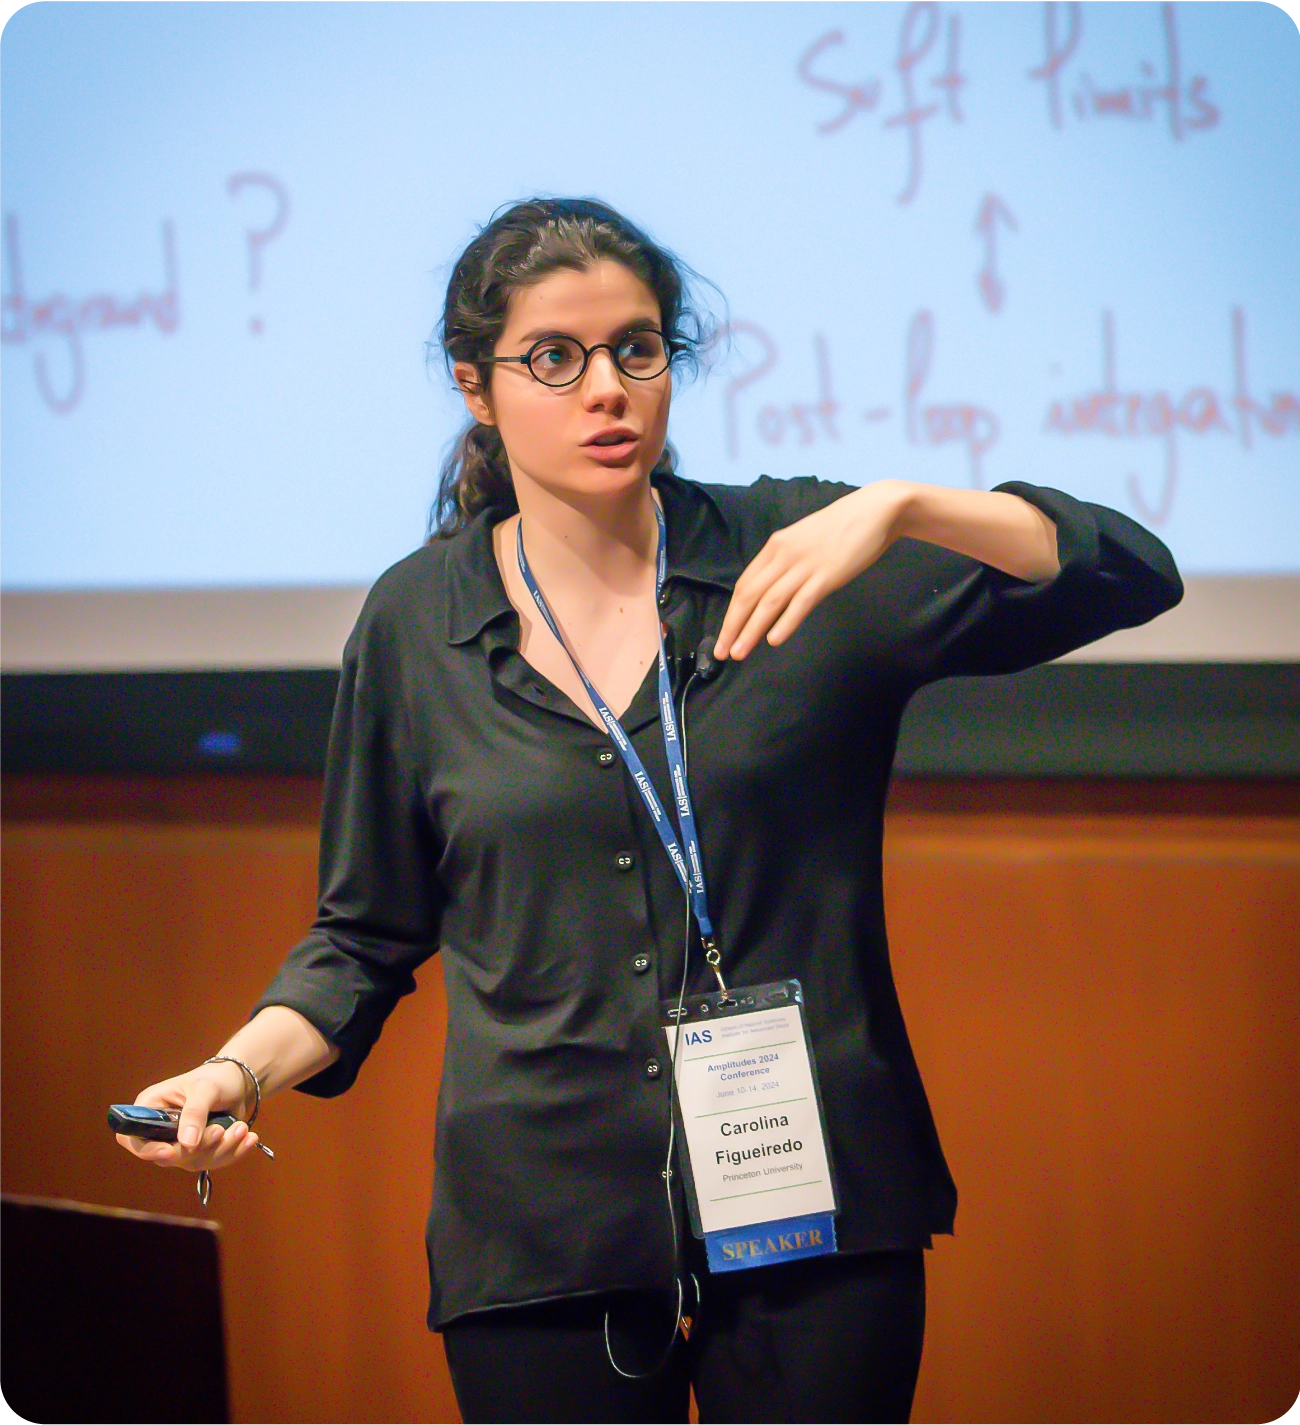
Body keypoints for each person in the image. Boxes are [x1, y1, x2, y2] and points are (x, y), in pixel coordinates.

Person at [117, 197, 1183, 1424]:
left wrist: (904, 505)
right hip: (543, 1232)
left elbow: (1129, 570)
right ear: (476, 385)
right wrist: (234, 1073)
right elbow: (362, 935)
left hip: (813, 1211)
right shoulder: (417, 624)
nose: (606, 390)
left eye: (638, 349)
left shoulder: (798, 550)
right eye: (554, 361)